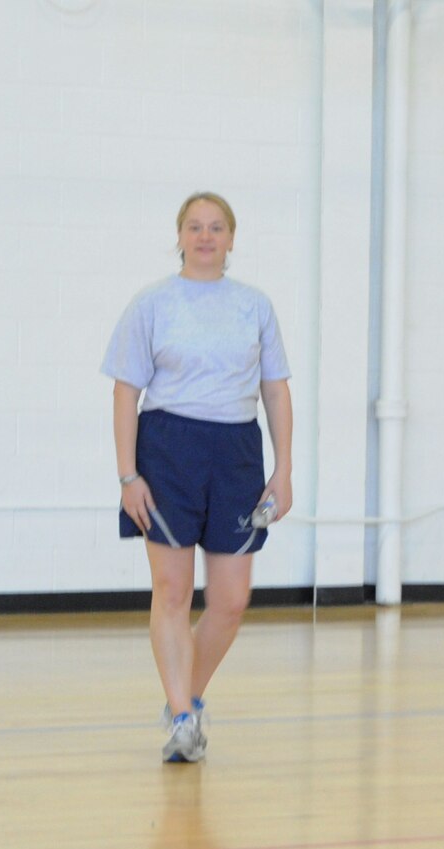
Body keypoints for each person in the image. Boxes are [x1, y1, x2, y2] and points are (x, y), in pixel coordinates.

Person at [103, 191, 293, 763]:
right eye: (194, 226)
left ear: (232, 239)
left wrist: (283, 469)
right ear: (180, 236)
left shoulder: (254, 306)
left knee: (232, 598)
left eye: (216, 227)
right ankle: (182, 718)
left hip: (235, 451)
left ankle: (187, 697)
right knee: (174, 590)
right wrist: (128, 475)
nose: (205, 236)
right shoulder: (152, 304)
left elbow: (276, 389)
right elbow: (125, 392)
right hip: (168, 449)